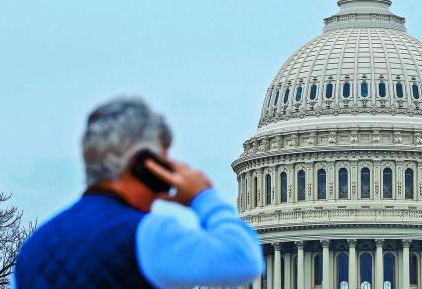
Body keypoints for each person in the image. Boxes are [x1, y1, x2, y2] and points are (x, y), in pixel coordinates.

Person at [14, 97, 264, 288]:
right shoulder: (147, 234)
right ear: (144, 164)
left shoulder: (32, 249)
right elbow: (244, 259)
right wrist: (203, 195)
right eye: (165, 164)